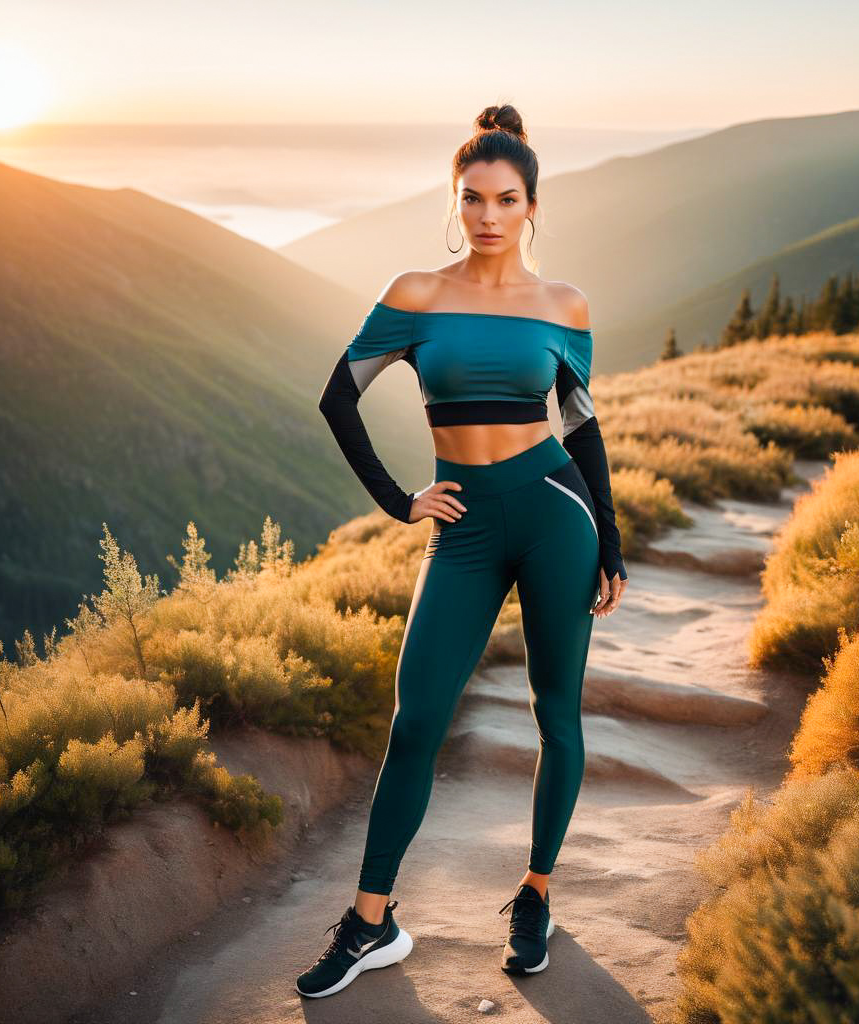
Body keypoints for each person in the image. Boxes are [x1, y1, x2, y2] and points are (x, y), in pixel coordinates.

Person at [296, 102, 628, 999]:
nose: (487, 215)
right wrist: (401, 501)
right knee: (416, 719)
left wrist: (612, 542)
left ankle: (536, 894)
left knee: (556, 712)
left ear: (531, 207)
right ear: (456, 199)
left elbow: (583, 428)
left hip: (558, 511)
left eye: (506, 199)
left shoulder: (564, 307)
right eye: (472, 198)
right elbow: (337, 399)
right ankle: (372, 922)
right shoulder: (416, 295)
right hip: (463, 529)